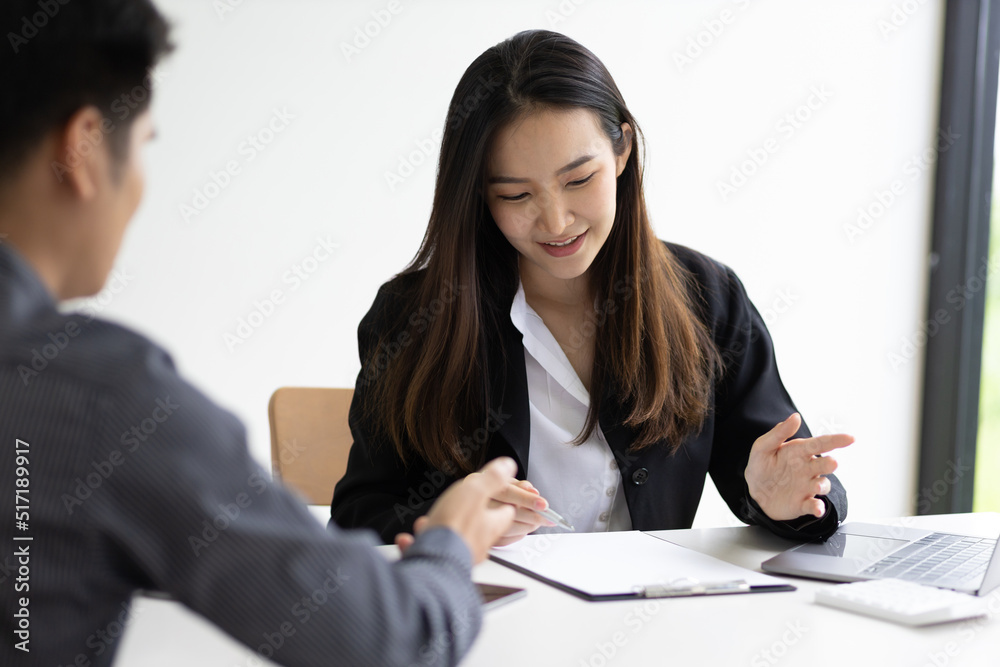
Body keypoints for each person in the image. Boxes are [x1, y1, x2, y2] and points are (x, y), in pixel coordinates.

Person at [0, 2, 517, 666]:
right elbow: (385, 642)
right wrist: (451, 542)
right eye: (147, 145)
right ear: (84, 149)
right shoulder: (97, 395)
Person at [331, 29, 853, 547]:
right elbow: (358, 518)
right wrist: (445, 521)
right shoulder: (412, 318)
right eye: (515, 195)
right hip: (489, 621)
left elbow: (793, 473)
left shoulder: (706, 297)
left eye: (579, 180)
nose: (556, 221)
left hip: (646, 617)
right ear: (478, 197)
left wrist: (781, 499)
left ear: (622, 151)